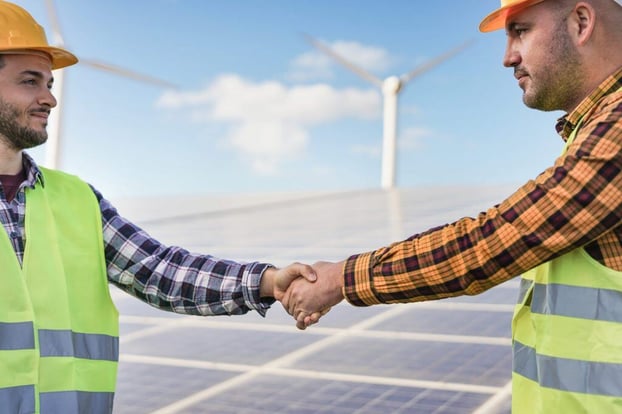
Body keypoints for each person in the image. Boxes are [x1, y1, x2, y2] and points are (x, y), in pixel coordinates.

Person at [283, 0, 622, 412]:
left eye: (521, 31)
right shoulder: (590, 132)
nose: (507, 57)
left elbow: (491, 244)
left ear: (582, 22)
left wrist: (342, 279)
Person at [0, 2, 321, 413]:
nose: (49, 99)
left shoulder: (77, 200)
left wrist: (268, 281)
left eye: (50, 84)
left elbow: (160, 271)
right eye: (30, 82)